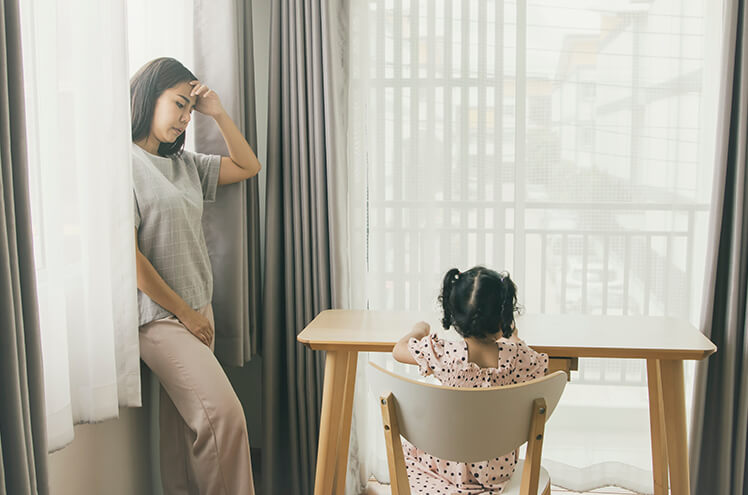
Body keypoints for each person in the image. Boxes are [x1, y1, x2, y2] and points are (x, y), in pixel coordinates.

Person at [130, 57, 260, 495]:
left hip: (197, 308)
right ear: (149, 97)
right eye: (179, 105)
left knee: (185, 432)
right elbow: (129, 259)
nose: (186, 118)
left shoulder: (184, 164)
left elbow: (248, 166)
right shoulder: (122, 164)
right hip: (162, 319)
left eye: (190, 109)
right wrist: (185, 314)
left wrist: (217, 112)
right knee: (224, 418)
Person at [392, 266, 549, 494]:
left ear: (454, 313)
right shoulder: (518, 358)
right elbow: (539, 366)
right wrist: (513, 335)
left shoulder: (443, 355)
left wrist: (418, 329)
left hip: (445, 464)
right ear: (503, 316)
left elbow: (398, 350)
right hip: (497, 471)